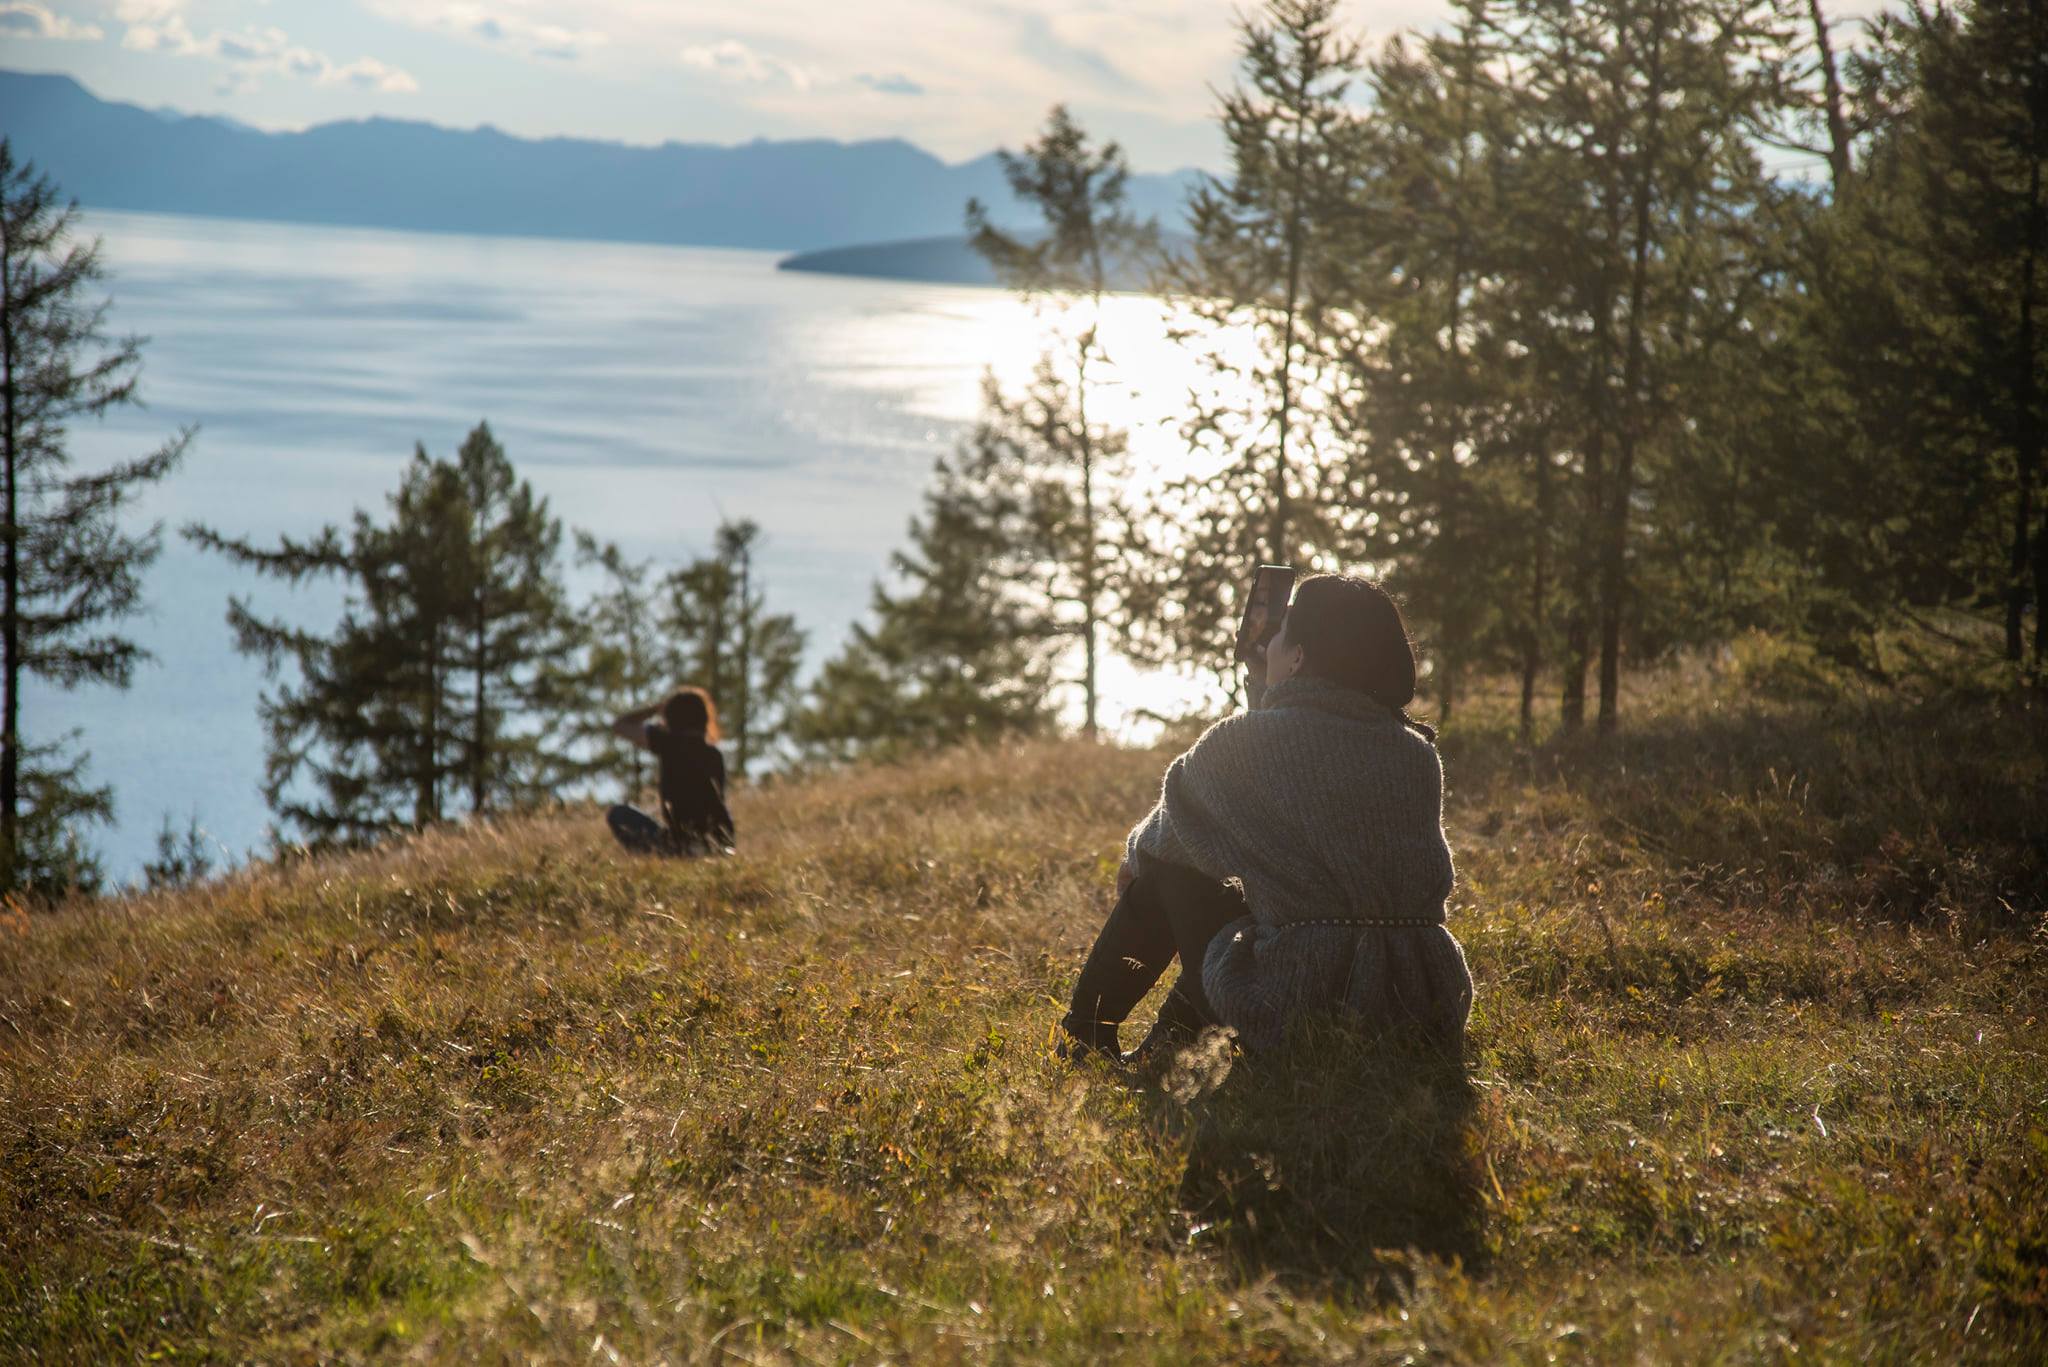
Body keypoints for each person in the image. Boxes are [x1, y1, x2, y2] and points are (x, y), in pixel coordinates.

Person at [1061, 574, 1473, 1062]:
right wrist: (1266, 685)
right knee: (1263, 887)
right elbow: (1300, 762)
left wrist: (1135, 863)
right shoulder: (1414, 753)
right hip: (1420, 1001)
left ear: (1297, 655)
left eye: (1279, 636)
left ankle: (1085, 1038)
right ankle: (1163, 1048)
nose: (1268, 643)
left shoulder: (1242, 743)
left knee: (1168, 873)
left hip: (1304, 995)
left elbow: (1166, 839)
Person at [606, 687, 736, 856]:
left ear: (672, 717)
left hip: (679, 843)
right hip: (718, 841)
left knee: (618, 814)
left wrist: (654, 709)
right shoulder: (714, 754)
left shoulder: (668, 743)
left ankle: (657, 858)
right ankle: (701, 851)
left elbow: (620, 726)